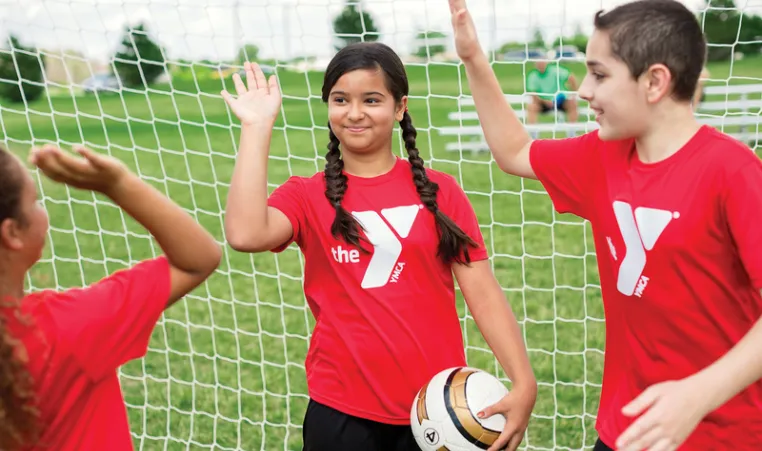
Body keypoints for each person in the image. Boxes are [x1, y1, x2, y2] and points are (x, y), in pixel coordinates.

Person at [448, 0, 762, 450]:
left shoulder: (731, 171)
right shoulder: (602, 157)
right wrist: (474, 58)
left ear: (654, 81)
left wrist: (697, 395)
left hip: (726, 435)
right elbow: (514, 151)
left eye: (599, 74)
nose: (585, 92)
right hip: (624, 429)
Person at [221, 45, 537, 451]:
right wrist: (256, 127)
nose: (354, 113)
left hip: (435, 409)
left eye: (371, 100)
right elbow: (245, 234)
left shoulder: (441, 192)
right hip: (340, 410)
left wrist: (523, 380)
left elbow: (484, 294)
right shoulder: (306, 195)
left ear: (400, 106)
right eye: (340, 100)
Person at [0, 144, 221, 450]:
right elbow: (199, 259)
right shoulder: (68, 327)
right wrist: (117, 183)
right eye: (36, 201)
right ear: (12, 233)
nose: (42, 209)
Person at [526, 59, 579, 135]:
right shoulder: (533, 76)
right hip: (543, 103)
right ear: (535, 64)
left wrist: (573, 94)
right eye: (538, 63)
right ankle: (533, 134)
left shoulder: (555, 70)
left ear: (546, 62)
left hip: (560, 101)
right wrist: (545, 101)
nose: (540, 64)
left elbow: (571, 77)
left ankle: (572, 132)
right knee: (531, 106)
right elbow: (533, 94)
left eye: (542, 62)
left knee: (572, 104)